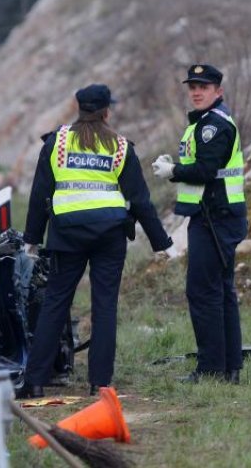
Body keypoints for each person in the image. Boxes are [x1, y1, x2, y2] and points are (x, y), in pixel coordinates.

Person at [19, 84, 175, 398]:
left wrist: (32, 239)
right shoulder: (120, 147)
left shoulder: (57, 143)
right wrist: (162, 243)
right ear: (107, 111)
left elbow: (39, 194)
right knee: (104, 307)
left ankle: (35, 381)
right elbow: (140, 200)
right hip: (109, 236)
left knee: (56, 304)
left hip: (67, 234)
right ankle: (100, 383)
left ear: (79, 109)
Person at [151, 64, 248, 384]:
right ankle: (228, 368)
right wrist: (176, 166)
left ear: (218, 91)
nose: (196, 91)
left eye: (203, 87)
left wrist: (173, 172)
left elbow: (206, 170)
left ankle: (211, 369)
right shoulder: (202, 123)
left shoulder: (213, 125)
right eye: (192, 86)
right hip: (212, 216)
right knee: (219, 292)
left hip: (216, 218)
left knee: (204, 293)